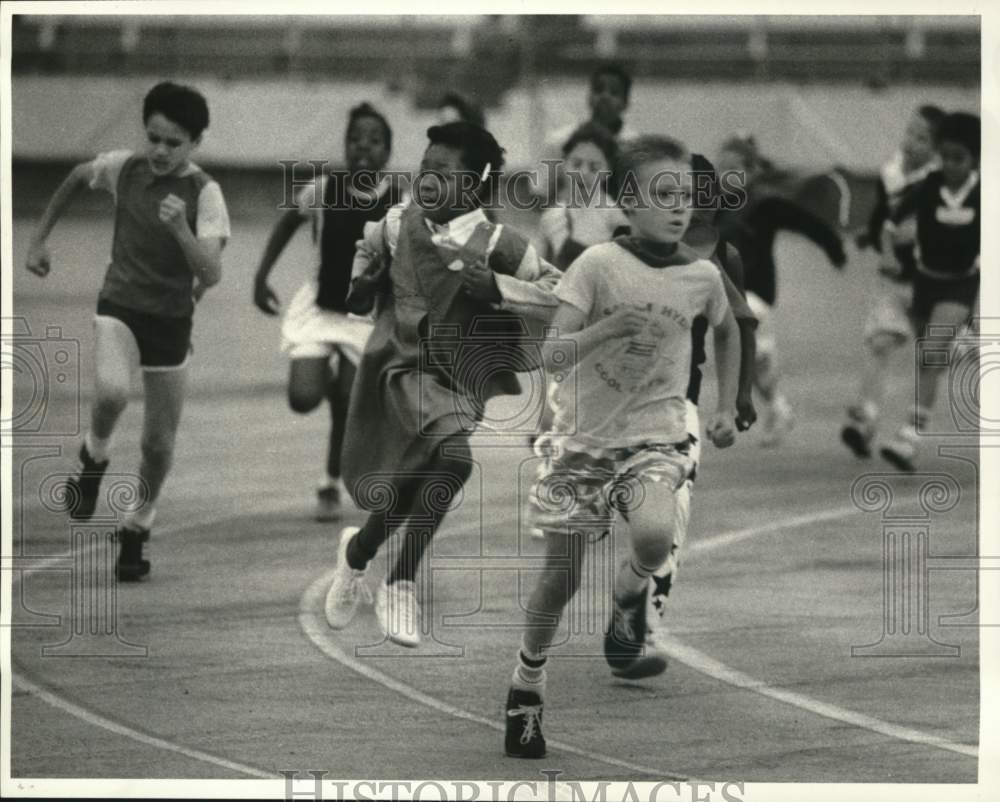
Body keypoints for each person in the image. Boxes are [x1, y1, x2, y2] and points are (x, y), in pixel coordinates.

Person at [505, 136, 741, 759]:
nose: (679, 208)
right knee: (559, 581)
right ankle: (526, 688)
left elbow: (728, 328)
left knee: (656, 537)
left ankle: (631, 595)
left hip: (654, 438)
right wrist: (606, 328)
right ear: (627, 203)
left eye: (686, 197)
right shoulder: (597, 265)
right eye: (663, 196)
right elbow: (552, 353)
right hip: (582, 441)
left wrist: (724, 406)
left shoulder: (702, 275)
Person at [324, 121, 561, 647]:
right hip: (403, 367)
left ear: (474, 182)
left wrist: (499, 287)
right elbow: (362, 272)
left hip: (463, 376)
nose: (428, 178)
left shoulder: (499, 242)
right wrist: (362, 285)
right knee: (454, 459)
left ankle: (359, 551)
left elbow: (555, 290)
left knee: (415, 479)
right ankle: (401, 582)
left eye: (443, 171)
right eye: (425, 167)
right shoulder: (394, 224)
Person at [25, 81, 229, 580]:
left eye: (173, 143)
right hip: (119, 305)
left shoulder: (205, 194)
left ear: (195, 143)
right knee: (113, 392)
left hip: (171, 323)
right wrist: (38, 240)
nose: (159, 151)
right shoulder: (124, 168)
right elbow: (75, 177)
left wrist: (181, 229)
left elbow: (211, 273)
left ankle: (138, 525)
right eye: (153, 137)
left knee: (158, 446)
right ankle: (94, 455)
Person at [253, 102, 401, 520]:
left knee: (348, 406)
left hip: (364, 318)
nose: (363, 148)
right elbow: (287, 224)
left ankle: (330, 483)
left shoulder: (399, 200)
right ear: (344, 145)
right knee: (302, 399)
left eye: (374, 141)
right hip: (320, 308)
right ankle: (331, 380)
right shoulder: (322, 189)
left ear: (387, 151)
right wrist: (260, 276)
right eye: (355, 139)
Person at [714, 134, 847, 446]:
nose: (723, 176)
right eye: (719, 169)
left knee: (749, 347)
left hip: (755, 291)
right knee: (746, 366)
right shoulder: (714, 205)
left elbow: (806, 222)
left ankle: (762, 355)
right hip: (724, 294)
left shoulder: (764, 202)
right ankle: (778, 407)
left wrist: (834, 248)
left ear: (749, 172)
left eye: (732, 170)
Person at [877, 112, 980, 471]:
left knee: (931, 350)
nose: (950, 165)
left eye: (960, 158)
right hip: (925, 282)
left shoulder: (983, 193)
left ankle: (909, 436)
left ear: (975, 160)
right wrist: (889, 254)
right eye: (946, 156)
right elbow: (891, 227)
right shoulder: (927, 187)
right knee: (932, 357)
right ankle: (967, 343)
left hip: (961, 283)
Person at [840, 105, 945, 457]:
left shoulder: (941, 181)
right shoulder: (891, 172)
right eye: (910, 132)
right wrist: (869, 236)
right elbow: (883, 216)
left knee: (930, 356)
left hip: (934, 282)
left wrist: (906, 236)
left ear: (938, 148)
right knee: (880, 342)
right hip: (896, 279)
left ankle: (910, 435)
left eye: (922, 138)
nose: (911, 142)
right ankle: (865, 418)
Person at [536, 63, 637, 205]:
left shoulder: (635, 147)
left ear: (625, 102)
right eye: (598, 89)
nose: (605, 96)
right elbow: (540, 194)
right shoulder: (559, 141)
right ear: (589, 96)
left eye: (614, 92)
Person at [538, 122, 628, 271]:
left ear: (608, 171)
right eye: (576, 164)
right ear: (564, 164)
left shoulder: (616, 218)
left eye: (594, 167)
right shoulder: (551, 217)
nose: (584, 172)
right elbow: (542, 276)